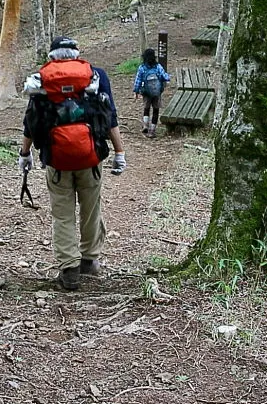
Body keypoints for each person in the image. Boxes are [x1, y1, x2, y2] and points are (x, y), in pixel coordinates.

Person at [17, 36, 127, 291]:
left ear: (53, 57)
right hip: (91, 157)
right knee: (91, 209)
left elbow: (31, 121)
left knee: (62, 214)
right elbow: (110, 117)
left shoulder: (43, 80)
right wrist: (119, 151)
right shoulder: (95, 76)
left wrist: (25, 153)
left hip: (56, 159)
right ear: (77, 54)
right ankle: (90, 260)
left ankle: (69, 270)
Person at [132, 48, 170, 138]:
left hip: (146, 92)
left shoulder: (142, 67)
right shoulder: (158, 66)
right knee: (156, 110)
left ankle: (145, 125)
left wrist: (136, 91)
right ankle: (152, 130)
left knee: (146, 108)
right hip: (157, 93)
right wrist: (168, 77)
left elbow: (138, 80)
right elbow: (164, 77)